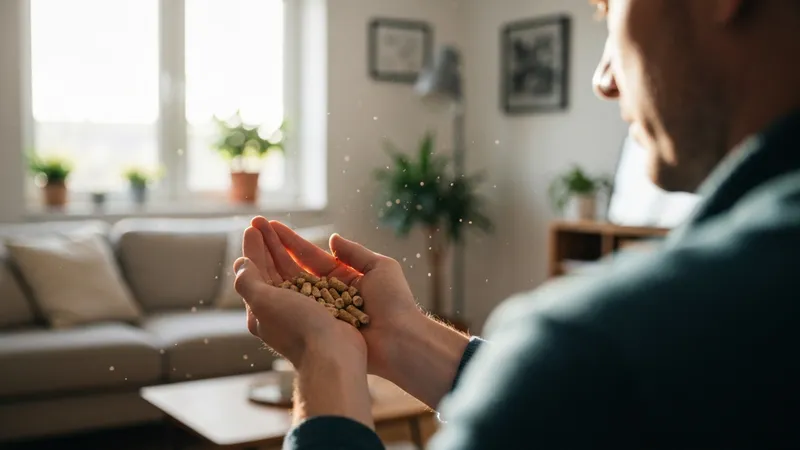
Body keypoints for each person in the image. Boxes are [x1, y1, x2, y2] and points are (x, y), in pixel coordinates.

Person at [233, 0, 800, 448]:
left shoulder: (596, 346)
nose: (604, 78)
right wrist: (403, 334)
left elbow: (581, 386)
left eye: (609, 8)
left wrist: (324, 359)